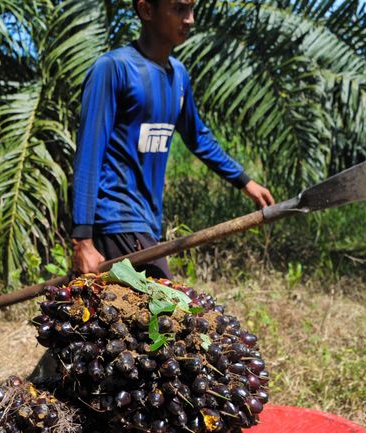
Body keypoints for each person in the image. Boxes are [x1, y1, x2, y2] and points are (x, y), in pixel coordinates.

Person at [70, 0, 275, 279]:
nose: (189, 19)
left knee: (132, 319)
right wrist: (82, 238)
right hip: (116, 219)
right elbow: (88, 154)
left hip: (147, 223)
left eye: (192, 9)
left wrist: (245, 181)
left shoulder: (177, 76)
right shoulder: (113, 69)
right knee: (163, 315)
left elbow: (198, 137)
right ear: (147, 10)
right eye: (179, 9)